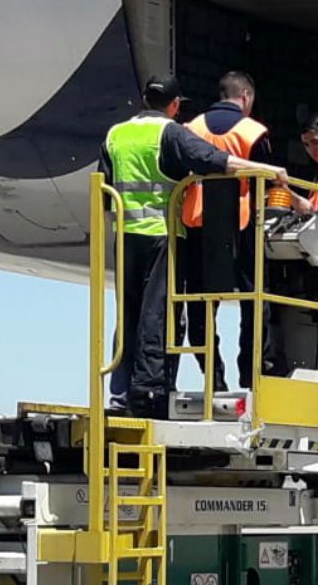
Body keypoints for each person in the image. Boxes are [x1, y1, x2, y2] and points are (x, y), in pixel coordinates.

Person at [99, 74, 286, 418]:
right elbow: (216, 161)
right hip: (162, 234)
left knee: (128, 315)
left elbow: (104, 185)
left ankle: (120, 392)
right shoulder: (169, 132)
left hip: (124, 236)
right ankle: (149, 393)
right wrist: (267, 170)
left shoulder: (116, 133)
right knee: (159, 315)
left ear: (144, 99)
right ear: (173, 106)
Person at [180, 71, 284, 391]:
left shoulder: (189, 128)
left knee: (199, 303)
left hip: (197, 224)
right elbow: (263, 182)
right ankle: (250, 372)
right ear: (246, 97)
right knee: (254, 302)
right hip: (241, 226)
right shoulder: (254, 132)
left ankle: (213, 376)